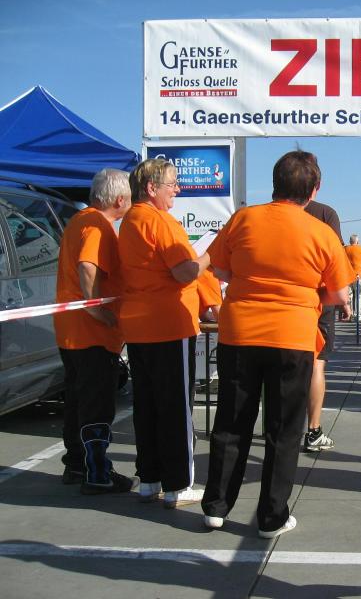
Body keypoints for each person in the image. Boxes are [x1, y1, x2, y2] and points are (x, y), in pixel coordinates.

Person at [201, 150, 352, 536]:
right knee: (283, 429)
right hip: (292, 336)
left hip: (240, 331)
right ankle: (271, 516)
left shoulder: (243, 219)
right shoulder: (321, 232)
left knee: (231, 420)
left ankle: (216, 506)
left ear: (274, 183)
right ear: (314, 190)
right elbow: (339, 294)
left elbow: (220, 269)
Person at [119, 159, 211, 508]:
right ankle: (178, 484)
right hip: (169, 324)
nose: (178, 189)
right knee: (175, 407)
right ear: (151, 188)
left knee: (147, 405)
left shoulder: (130, 220)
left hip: (139, 325)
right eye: (173, 183)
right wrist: (211, 256)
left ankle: (150, 479)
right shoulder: (160, 221)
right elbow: (185, 272)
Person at [54, 168, 138, 494]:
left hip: (73, 331)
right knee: (96, 404)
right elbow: (88, 265)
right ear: (119, 199)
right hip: (91, 333)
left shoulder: (80, 220)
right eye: (129, 198)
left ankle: (77, 464)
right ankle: (97, 473)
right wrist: (97, 309)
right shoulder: (98, 226)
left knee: (78, 400)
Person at [304, 199, 349, 452]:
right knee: (317, 362)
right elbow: (336, 259)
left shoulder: (263, 216)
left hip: (282, 303)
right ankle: (313, 430)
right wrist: (344, 300)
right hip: (320, 298)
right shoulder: (325, 213)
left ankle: (281, 428)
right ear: (315, 185)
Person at [344, 234, 361, 321]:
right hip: (358, 276)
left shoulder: (345, 249)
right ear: (357, 241)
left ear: (350, 241)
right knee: (359, 296)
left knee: (349, 296)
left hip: (347, 276)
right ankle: (358, 315)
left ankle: (350, 315)